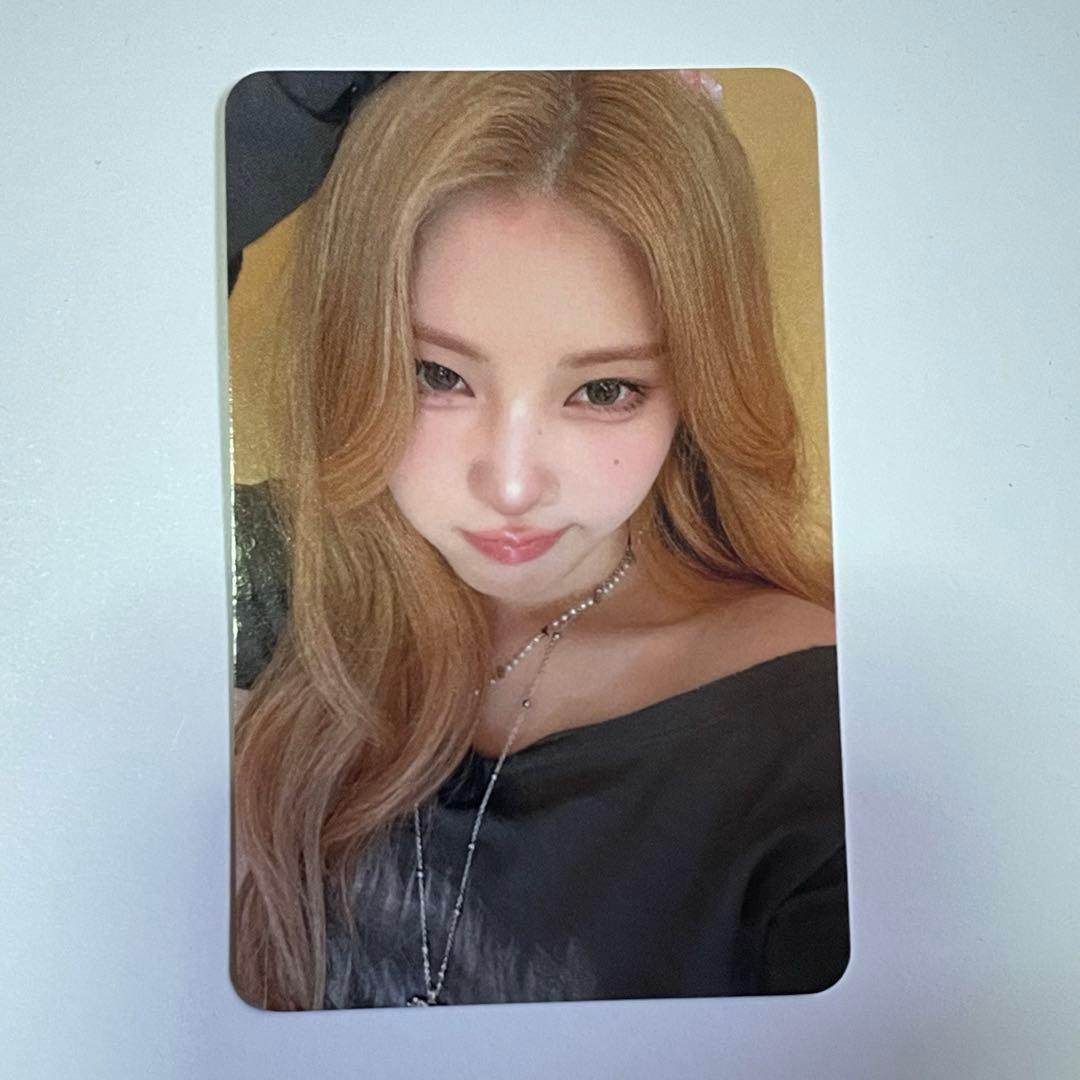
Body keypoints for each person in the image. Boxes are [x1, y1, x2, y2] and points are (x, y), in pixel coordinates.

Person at [231, 69, 847, 1012]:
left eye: (603, 391)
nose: (512, 485)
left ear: (698, 386)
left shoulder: (817, 736)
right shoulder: (265, 582)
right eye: (437, 375)